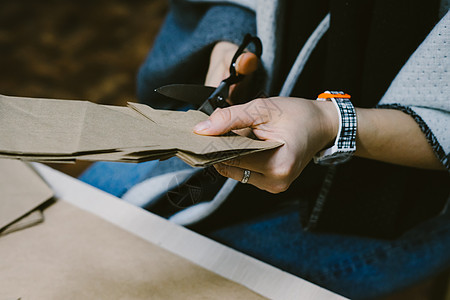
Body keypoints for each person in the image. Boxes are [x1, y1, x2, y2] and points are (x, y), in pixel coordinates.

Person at [81, 1, 450, 298]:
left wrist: (330, 124)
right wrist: (228, 46)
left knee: (164, 279)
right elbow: (230, 6)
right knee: (88, 209)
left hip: (392, 201)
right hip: (239, 114)